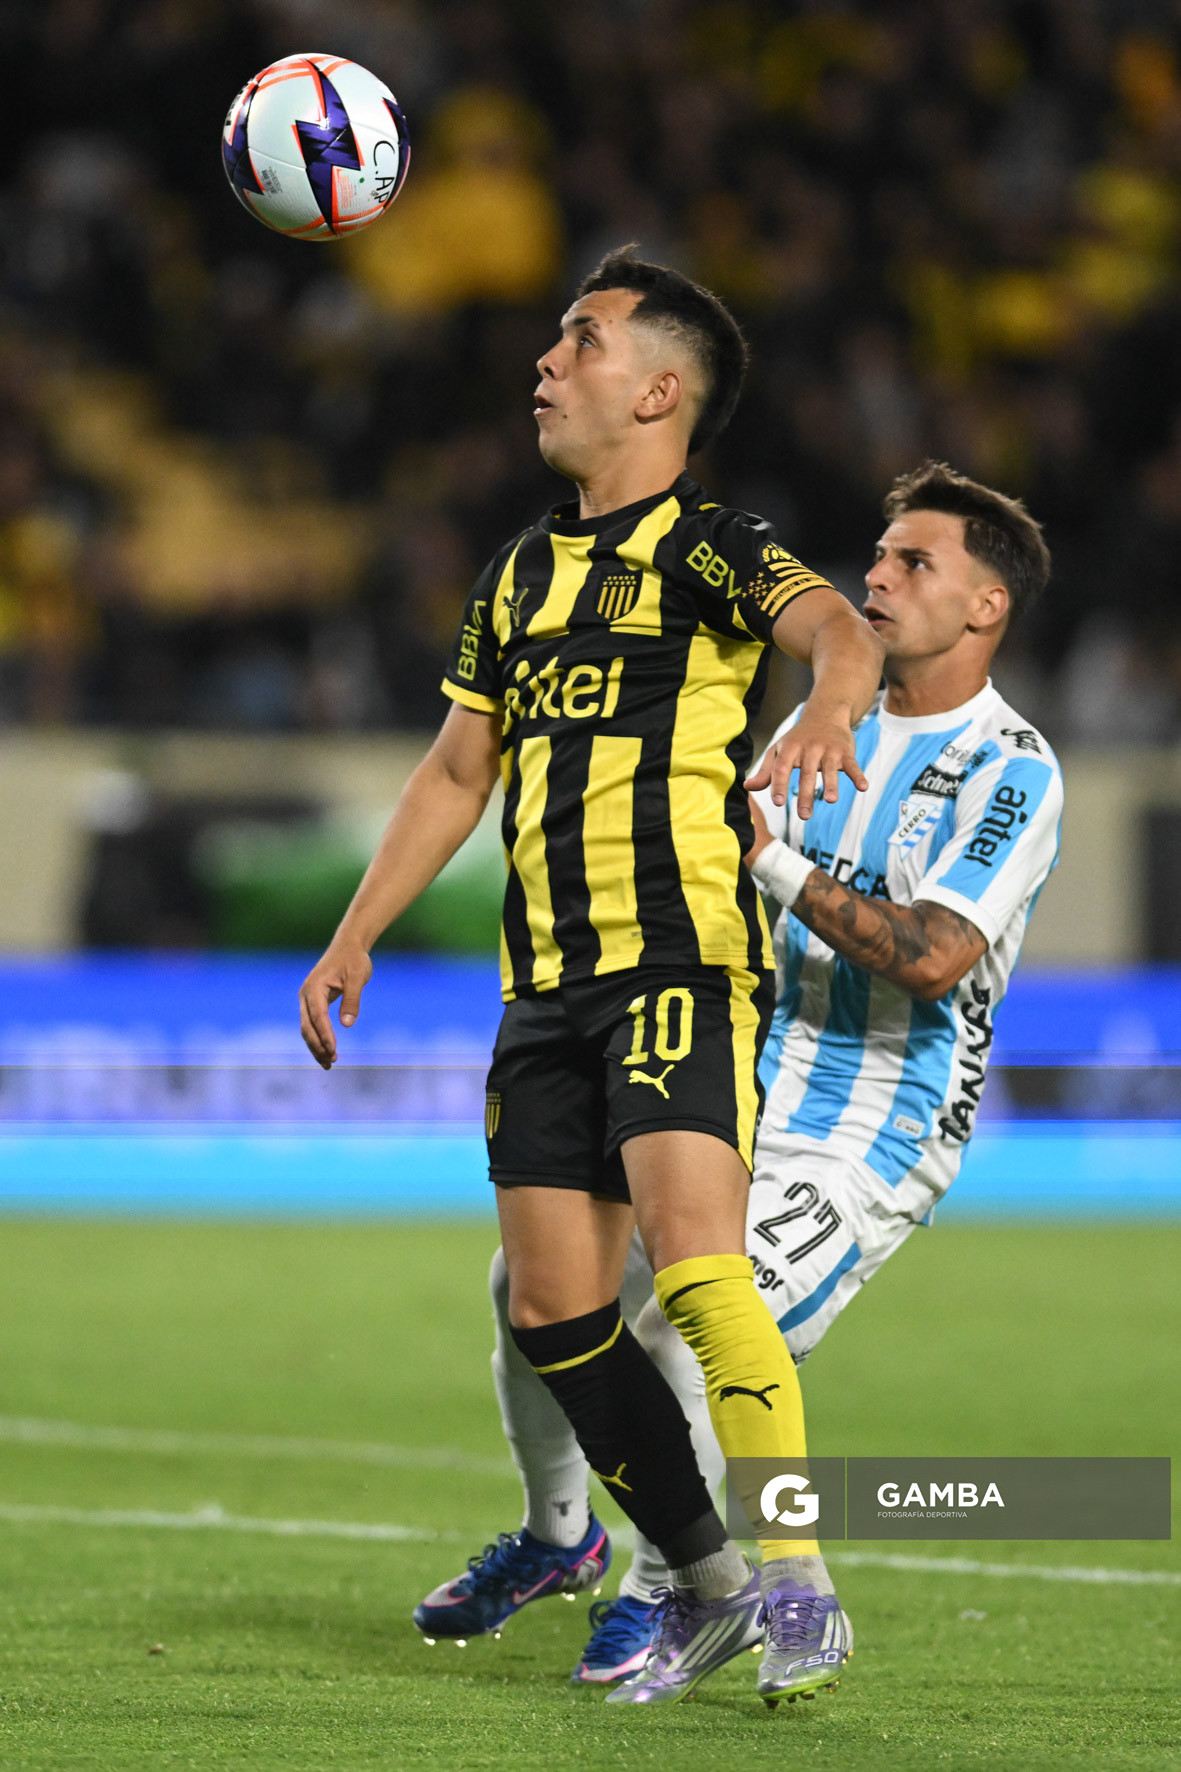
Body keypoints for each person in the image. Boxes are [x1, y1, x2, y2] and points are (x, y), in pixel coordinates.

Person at [300, 247, 884, 1708]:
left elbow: (840, 630)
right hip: (544, 988)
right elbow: (456, 768)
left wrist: (822, 702)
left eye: (583, 340)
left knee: (695, 1268)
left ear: (661, 389)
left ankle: (803, 1580)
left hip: (677, 954)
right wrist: (357, 926)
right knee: (553, 1309)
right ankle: (707, 1583)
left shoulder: (712, 546)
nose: (549, 364)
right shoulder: (516, 571)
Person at [414, 460, 1062, 1705]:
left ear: (986, 605)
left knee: (682, 1326)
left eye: (912, 562)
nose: (874, 574)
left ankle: (671, 1593)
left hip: (867, 1129)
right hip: (735, 1071)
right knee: (532, 1286)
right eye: (875, 553)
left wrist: (766, 864)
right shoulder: (817, 721)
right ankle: (562, 1538)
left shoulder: (1009, 767)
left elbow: (929, 960)